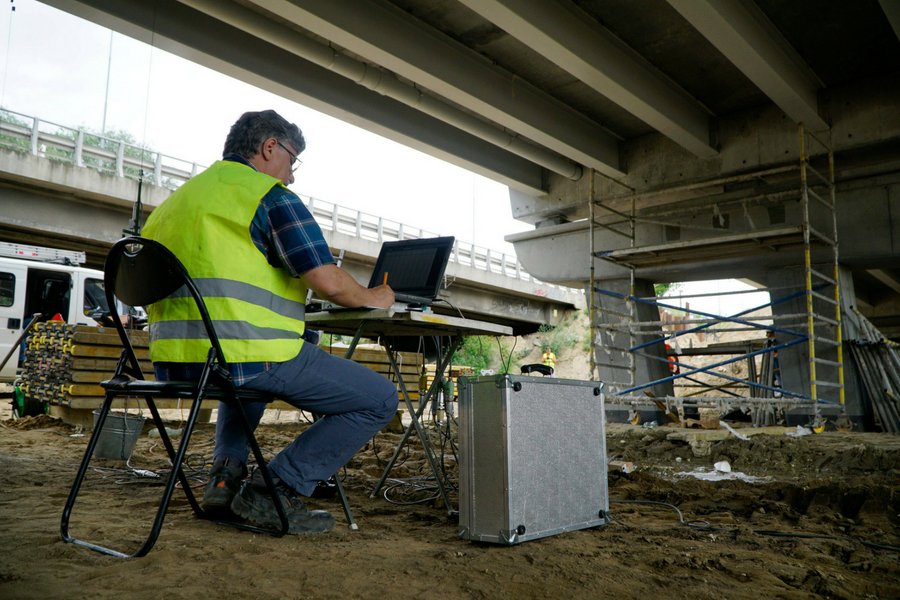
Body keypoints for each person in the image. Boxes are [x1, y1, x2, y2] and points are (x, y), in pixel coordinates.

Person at [141, 110, 398, 534]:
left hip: (177, 362)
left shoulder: (174, 203)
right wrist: (377, 296)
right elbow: (328, 281)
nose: (292, 176)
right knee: (379, 399)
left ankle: (225, 477)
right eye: (292, 161)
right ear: (269, 147)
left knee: (245, 381)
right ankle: (273, 489)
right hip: (245, 354)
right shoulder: (268, 197)